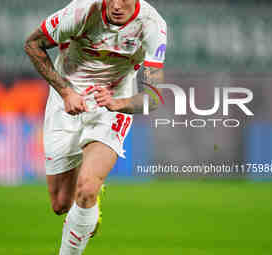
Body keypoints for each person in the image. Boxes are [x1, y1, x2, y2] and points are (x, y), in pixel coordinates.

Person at [24, 0, 167, 254]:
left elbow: (153, 97)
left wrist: (118, 102)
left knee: (87, 187)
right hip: (66, 101)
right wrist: (66, 92)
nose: (117, 4)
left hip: (111, 105)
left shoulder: (152, 25)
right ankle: (89, 200)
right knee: (60, 204)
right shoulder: (81, 11)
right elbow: (32, 44)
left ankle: (89, 193)